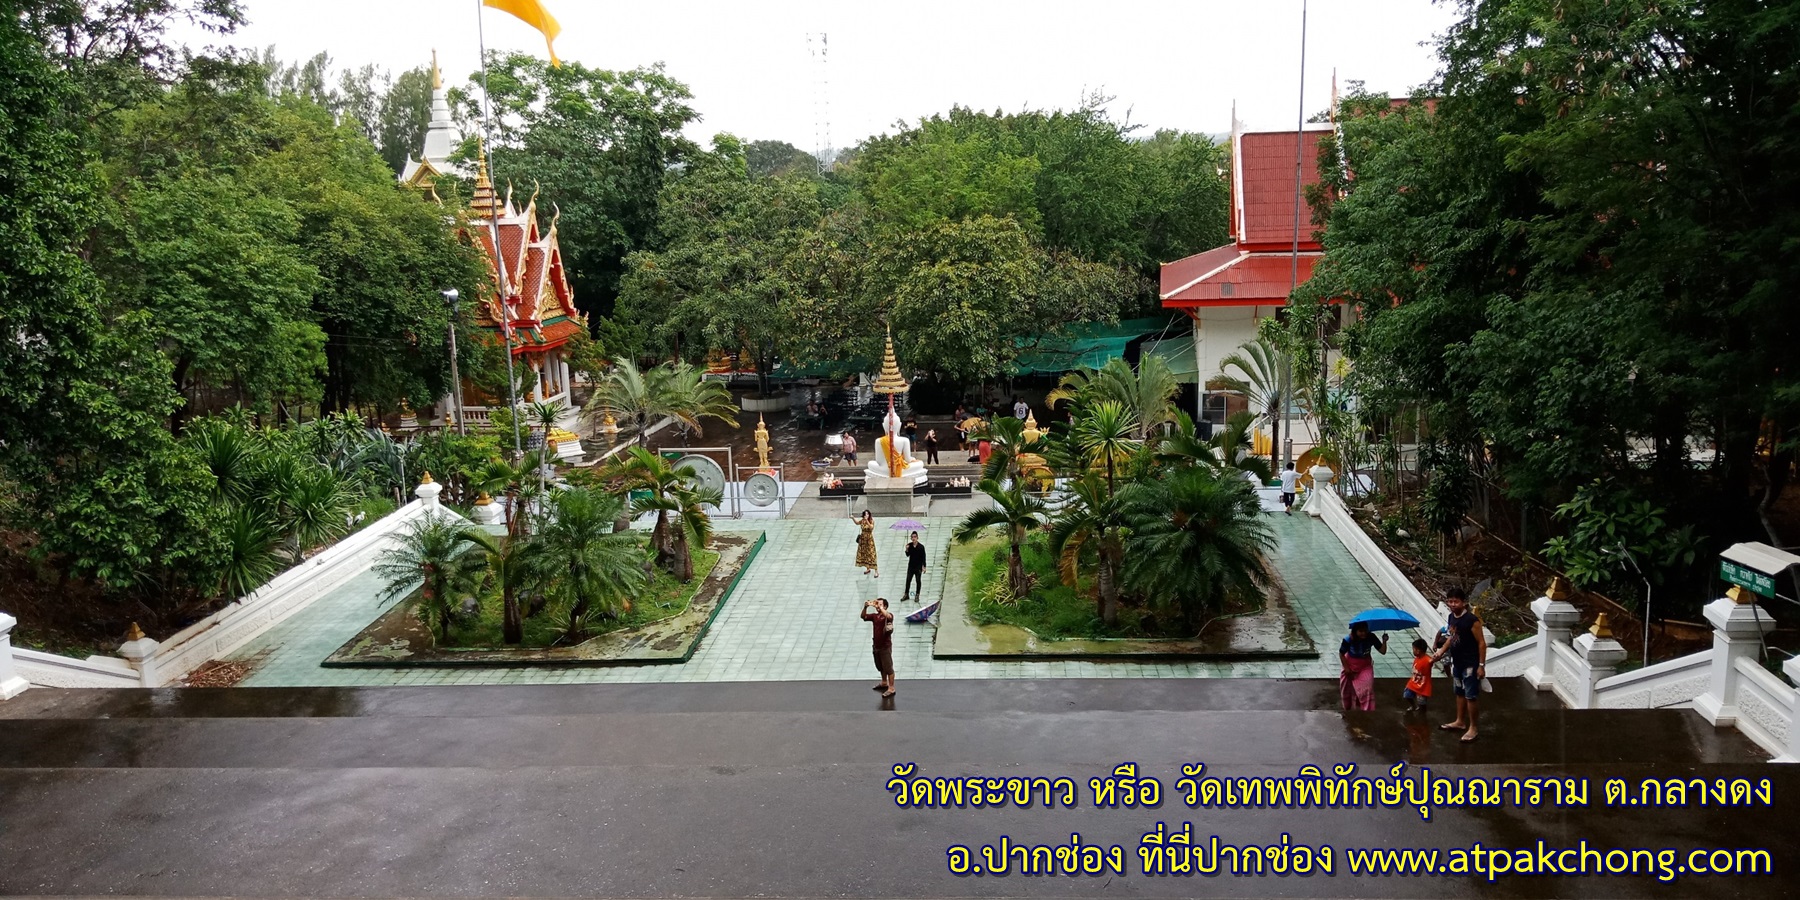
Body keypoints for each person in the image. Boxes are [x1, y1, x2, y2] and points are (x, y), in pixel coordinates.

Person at [1433, 587, 1487, 742]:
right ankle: (1460, 721)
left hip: (1470, 663)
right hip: (1457, 662)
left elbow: (1482, 644)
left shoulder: (1472, 621)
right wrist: (1441, 651)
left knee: (1471, 695)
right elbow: (1452, 637)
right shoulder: (1451, 617)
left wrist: (1481, 665)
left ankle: (1473, 727)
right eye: (1450, 601)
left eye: (1456, 601)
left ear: (1463, 602)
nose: (1452, 604)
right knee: (1459, 692)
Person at [1338, 621, 1388, 710]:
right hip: (1350, 666)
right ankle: (1348, 708)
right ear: (1355, 631)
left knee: (1367, 688)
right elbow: (1341, 654)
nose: (1364, 633)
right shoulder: (1348, 639)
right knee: (1347, 689)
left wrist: (1384, 641)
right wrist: (1346, 668)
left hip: (1365, 666)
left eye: (1365, 631)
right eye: (1361, 631)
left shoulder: (1371, 637)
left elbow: (1382, 651)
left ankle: (1367, 710)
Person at [861, 597, 895, 697]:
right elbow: (863, 616)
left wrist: (881, 608)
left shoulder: (888, 616)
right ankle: (884, 682)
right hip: (876, 645)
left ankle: (891, 688)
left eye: (880, 604)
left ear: (885, 606)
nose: (877, 606)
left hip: (885, 646)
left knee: (888, 667)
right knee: (880, 665)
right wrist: (865, 607)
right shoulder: (875, 617)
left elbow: (888, 616)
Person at [1402, 638, 1433, 712]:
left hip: (1423, 684)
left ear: (1418, 650)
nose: (1413, 651)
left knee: (1422, 702)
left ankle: (1422, 711)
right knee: (1407, 695)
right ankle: (1413, 706)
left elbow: (1431, 661)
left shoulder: (1427, 660)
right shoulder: (1417, 658)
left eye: (1414, 649)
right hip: (1413, 682)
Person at [851, 509, 879, 576]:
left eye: (867, 514)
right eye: (865, 514)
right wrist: (853, 518)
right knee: (865, 553)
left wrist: (867, 521)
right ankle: (868, 568)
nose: (866, 515)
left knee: (871, 554)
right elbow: (857, 523)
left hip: (869, 539)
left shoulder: (871, 521)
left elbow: (871, 527)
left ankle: (876, 571)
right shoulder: (862, 521)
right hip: (863, 540)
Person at [901, 531, 927, 602]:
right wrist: (906, 549)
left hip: (918, 567)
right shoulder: (909, 545)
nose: (913, 538)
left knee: (918, 581)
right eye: (912, 537)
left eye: (915, 537)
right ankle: (906, 594)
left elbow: (923, 557)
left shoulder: (921, 547)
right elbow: (907, 555)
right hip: (911, 566)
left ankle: (917, 595)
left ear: (917, 538)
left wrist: (924, 566)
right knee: (908, 580)